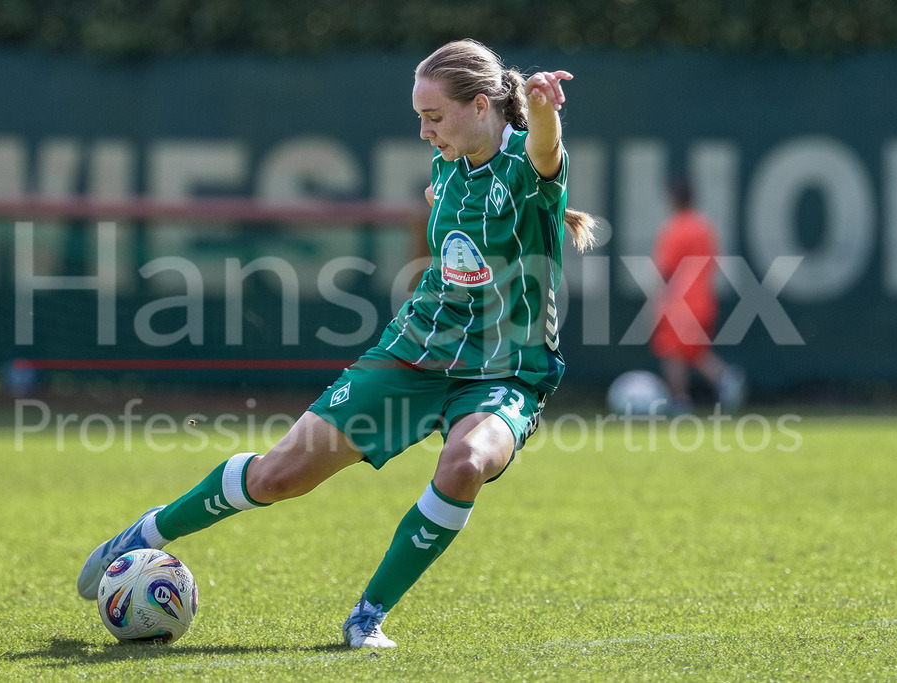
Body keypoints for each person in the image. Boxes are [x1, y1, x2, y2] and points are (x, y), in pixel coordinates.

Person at [76, 38, 595, 649]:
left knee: (464, 464)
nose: (425, 132)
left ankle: (367, 616)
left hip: (509, 372)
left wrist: (542, 107)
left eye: (433, 117)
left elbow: (545, 147)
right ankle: (147, 533)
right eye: (419, 119)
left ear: (482, 107)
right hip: (417, 353)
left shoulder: (529, 171)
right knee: (278, 478)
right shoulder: (447, 165)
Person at [649, 177, 745, 413]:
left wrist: (657, 303)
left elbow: (666, 272)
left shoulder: (675, 229)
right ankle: (724, 379)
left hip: (680, 302)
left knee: (672, 351)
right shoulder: (704, 227)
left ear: (672, 199)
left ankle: (681, 401)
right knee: (694, 352)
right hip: (703, 300)